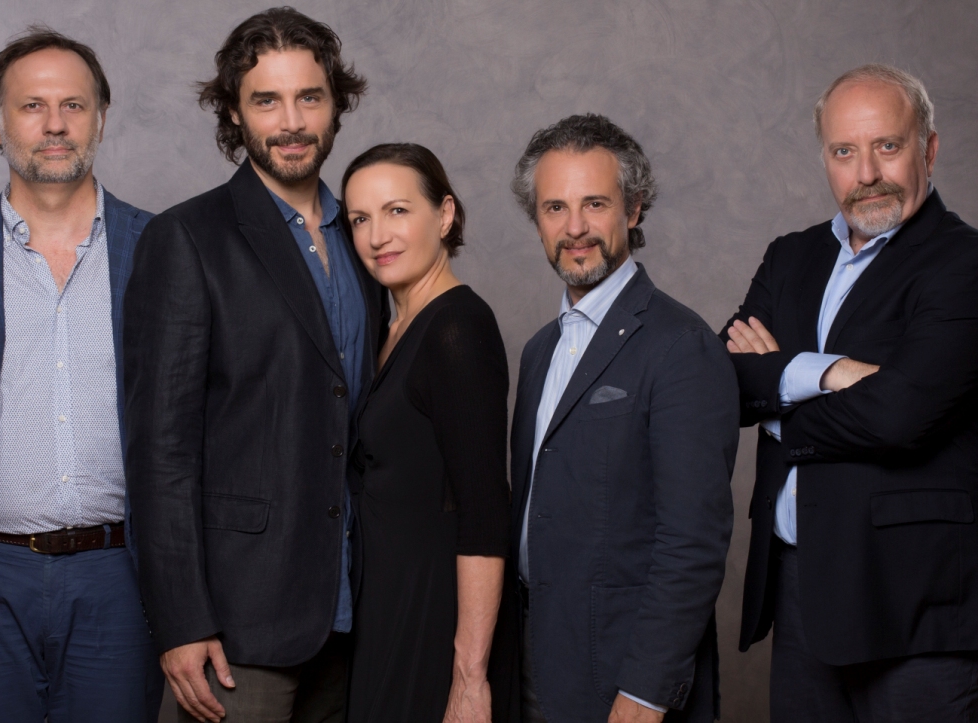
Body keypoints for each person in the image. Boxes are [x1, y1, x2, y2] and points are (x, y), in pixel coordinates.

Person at [124, 8, 388, 723]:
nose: (292, 122)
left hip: (354, 611)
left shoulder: (368, 239)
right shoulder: (187, 238)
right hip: (237, 621)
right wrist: (181, 620)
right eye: (267, 100)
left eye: (310, 97)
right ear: (235, 114)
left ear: (337, 104)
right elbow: (159, 452)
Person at [724, 64, 978, 722]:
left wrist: (780, 398)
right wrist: (829, 371)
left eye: (887, 146)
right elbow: (723, 381)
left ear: (929, 149)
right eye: (844, 151)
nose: (866, 173)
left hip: (912, 605)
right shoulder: (790, 257)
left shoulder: (963, 263)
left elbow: (900, 414)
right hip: (800, 591)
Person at [0, 27, 162, 722]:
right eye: (32, 106)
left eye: (73, 105)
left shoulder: (163, 248)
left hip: (121, 576)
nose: (54, 125)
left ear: (100, 119)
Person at [508, 114, 738, 723]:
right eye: (555, 208)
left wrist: (646, 690)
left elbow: (693, 542)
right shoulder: (539, 352)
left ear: (633, 209)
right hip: (534, 655)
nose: (574, 228)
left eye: (595, 204)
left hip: (623, 676)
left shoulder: (680, 345)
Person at [339, 143, 511, 723]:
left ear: (444, 215)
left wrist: (470, 677)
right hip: (385, 610)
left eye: (397, 211)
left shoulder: (458, 328)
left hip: (435, 622)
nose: (376, 236)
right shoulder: (388, 329)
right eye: (360, 219)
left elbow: (484, 513)